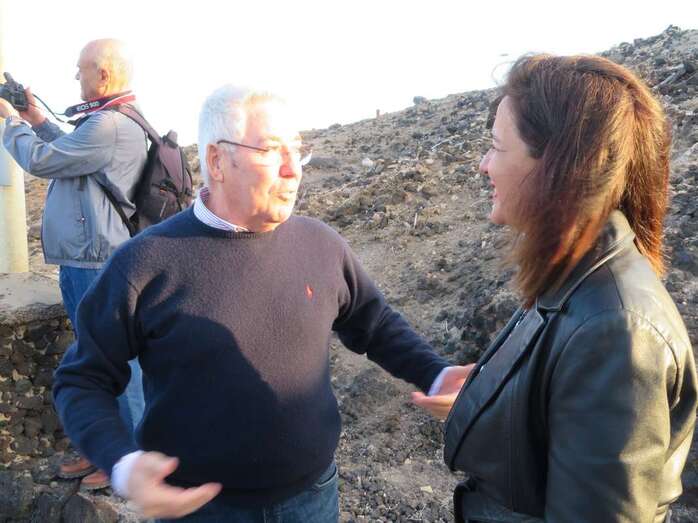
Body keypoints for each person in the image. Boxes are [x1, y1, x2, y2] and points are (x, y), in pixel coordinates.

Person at [52, 84, 471, 521]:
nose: (293, 170)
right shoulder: (144, 263)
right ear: (217, 160)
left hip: (313, 498)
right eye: (271, 150)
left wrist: (435, 372)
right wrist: (122, 461)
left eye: (297, 150)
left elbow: (374, 323)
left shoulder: (320, 245)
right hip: (198, 509)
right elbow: (82, 380)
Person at [412, 54, 698, 522]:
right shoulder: (575, 274)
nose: (484, 165)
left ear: (558, 167)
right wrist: (496, 396)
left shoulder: (617, 332)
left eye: (496, 148)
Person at [0, 38, 146, 490]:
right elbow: (69, 148)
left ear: (103, 74)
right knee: (96, 357)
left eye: (80, 69)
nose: (75, 77)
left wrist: (10, 123)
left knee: (117, 360)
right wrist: (35, 117)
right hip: (85, 258)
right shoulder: (107, 122)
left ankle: (126, 457)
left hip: (96, 261)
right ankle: (104, 447)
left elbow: (43, 160)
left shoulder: (109, 124)